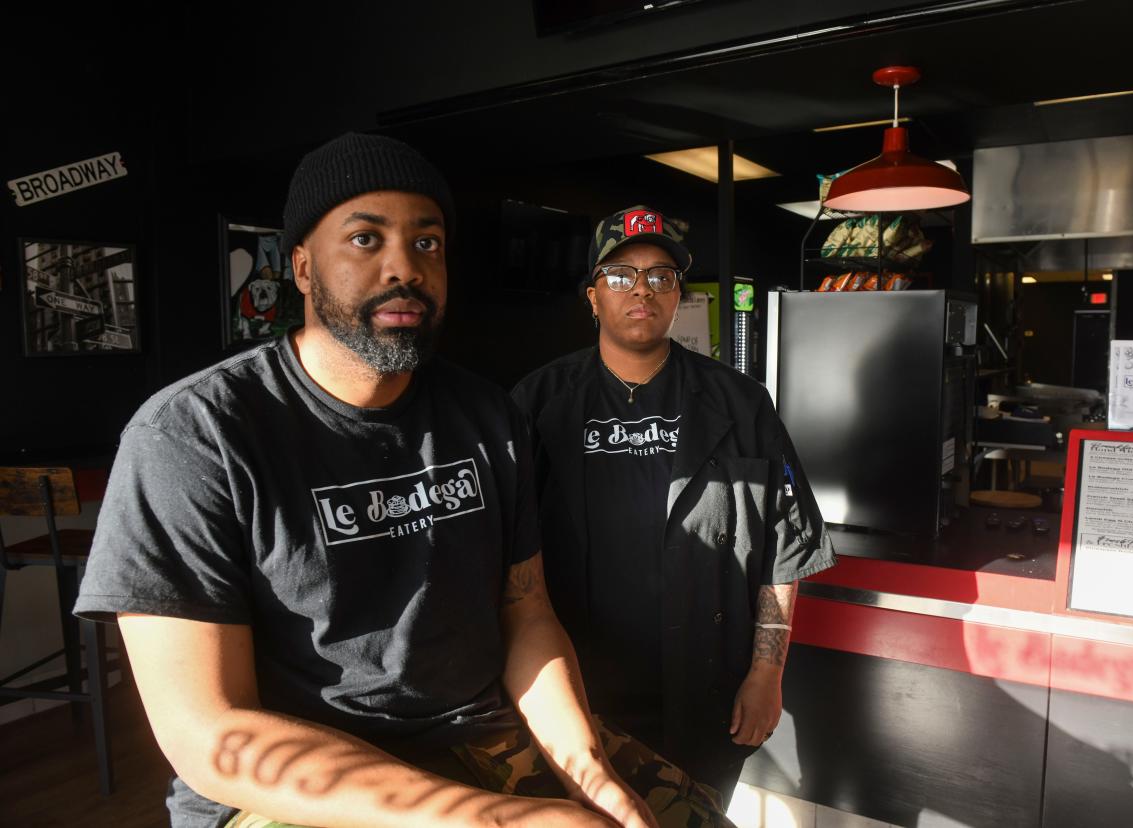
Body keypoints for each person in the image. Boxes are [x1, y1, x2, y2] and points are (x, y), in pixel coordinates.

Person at [74, 137, 730, 828]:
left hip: (480, 733)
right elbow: (209, 734)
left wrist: (587, 771)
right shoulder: (193, 436)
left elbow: (526, 611)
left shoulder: (487, 415)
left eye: (428, 244)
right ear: (301, 265)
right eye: (365, 238)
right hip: (297, 780)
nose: (405, 269)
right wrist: (494, 820)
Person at [510, 206, 836, 804]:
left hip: (706, 694)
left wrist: (767, 674)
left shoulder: (740, 403)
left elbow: (783, 548)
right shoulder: (539, 404)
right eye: (620, 275)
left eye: (661, 276)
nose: (642, 289)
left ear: (678, 295)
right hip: (581, 692)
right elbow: (508, 561)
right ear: (592, 297)